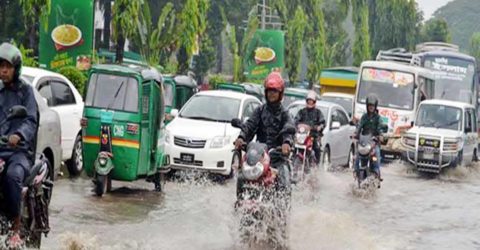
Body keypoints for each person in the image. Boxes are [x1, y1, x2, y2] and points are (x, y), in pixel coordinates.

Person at [0, 42, 39, 248]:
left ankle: (14, 228)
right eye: (0, 66)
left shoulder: (26, 92)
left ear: (16, 68)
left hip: (19, 153)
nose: (3, 70)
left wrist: (18, 134)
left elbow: (30, 120)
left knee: (12, 176)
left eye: (7, 66)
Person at [234, 71, 294, 190]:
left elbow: (288, 128)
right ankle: (240, 202)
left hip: (277, 156)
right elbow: (250, 125)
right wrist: (241, 138)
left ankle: (283, 206)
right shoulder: (259, 110)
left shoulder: (285, 113)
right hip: (259, 155)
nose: (272, 94)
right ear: (265, 92)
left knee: (284, 179)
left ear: (280, 93)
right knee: (242, 176)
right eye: (269, 91)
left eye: (274, 91)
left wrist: (286, 143)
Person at [354, 95, 383, 185]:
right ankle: (355, 172)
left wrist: (380, 135)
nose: (371, 107)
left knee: (376, 157)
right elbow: (359, 126)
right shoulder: (364, 117)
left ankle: (377, 174)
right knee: (357, 156)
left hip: (374, 143)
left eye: (372, 105)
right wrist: (355, 133)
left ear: (375, 106)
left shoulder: (378, 118)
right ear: (367, 106)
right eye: (369, 105)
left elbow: (380, 128)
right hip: (364, 142)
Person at [294, 90, 325, 164]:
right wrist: (295, 126)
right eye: (309, 101)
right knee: (293, 146)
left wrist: (319, 127)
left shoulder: (318, 112)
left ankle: (316, 165)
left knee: (316, 148)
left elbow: (322, 122)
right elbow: (296, 120)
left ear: (314, 102)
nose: (310, 102)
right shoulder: (302, 112)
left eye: (312, 101)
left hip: (313, 136)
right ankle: (292, 162)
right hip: (302, 136)